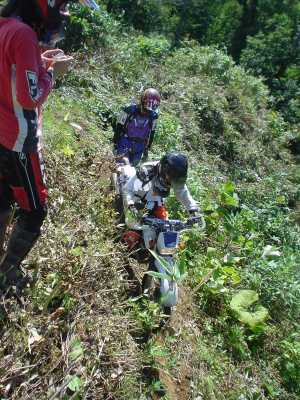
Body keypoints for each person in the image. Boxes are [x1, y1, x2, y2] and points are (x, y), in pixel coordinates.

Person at [0, 0, 98, 291]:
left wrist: (41, 61)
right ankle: (8, 270)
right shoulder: (25, 35)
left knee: (3, 198)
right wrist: (54, 74)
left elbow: (11, 69)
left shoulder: (8, 26)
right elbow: (30, 96)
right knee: (34, 211)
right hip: (19, 140)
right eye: (64, 4)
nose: (65, 12)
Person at [121, 152, 203, 224]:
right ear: (164, 170)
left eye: (175, 180)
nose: (172, 183)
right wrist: (130, 204)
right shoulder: (146, 172)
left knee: (164, 223)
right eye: (171, 179)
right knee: (132, 223)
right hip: (138, 194)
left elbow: (182, 192)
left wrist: (193, 209)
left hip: (155, 198)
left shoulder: (176, 177)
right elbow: (128, 190)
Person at [113, 88, 161, 166]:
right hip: (125, 141)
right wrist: (115, 142)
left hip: (140, 146)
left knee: (133, 169)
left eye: (151, 109)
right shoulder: (129, 110)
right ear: (142, 102)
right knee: (121, 167)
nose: (147, 112)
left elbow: (152, 132)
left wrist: (147, 148)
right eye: (146, 108)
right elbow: (119, 126)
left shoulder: (153, 116)